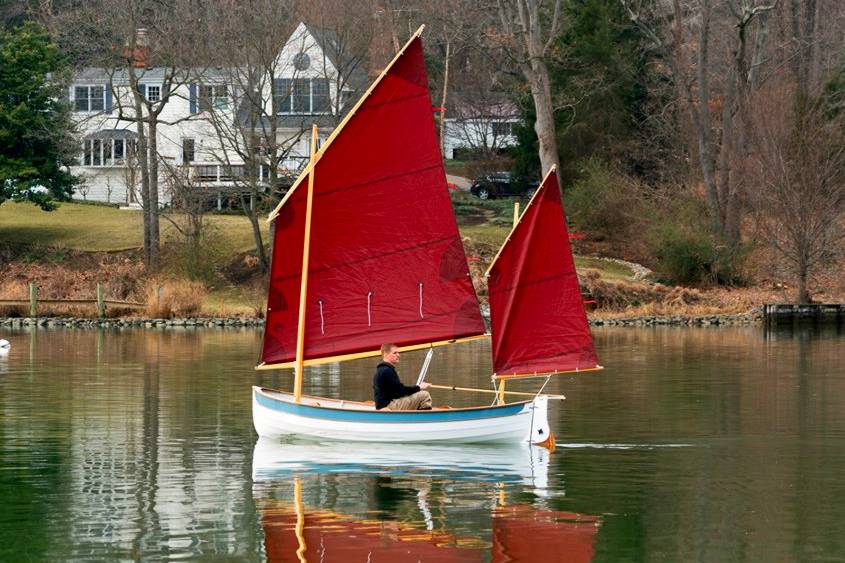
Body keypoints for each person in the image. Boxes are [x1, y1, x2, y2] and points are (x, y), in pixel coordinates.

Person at [373, 343, 432, 410]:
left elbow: (396, 392)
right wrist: (419, 387)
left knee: (417, 395)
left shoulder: (381, 370)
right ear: (386, 355)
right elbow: (400, 392)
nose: (398, 355)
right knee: (425, 395)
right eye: (395, 353)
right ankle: (423, 419)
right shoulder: (387, 371)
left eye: (398, 353)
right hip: (388, 406)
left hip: (383, 405)